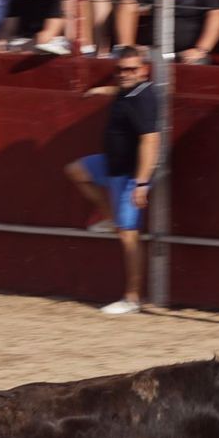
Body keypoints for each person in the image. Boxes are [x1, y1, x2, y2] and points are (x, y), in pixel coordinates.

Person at [63, 46, 158, 316]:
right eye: (120, 70)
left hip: (130, 174)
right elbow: (121, 89)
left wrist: (141, 182)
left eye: (131, 69)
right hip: (113, 165)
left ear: (144, 70)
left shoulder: (143, 99)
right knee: (76, 171)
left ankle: (133, 298)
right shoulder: (130, 90)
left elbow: (151, 141)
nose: (124, 74)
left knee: (129, 235)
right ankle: (109, 217)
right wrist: (102, 90)